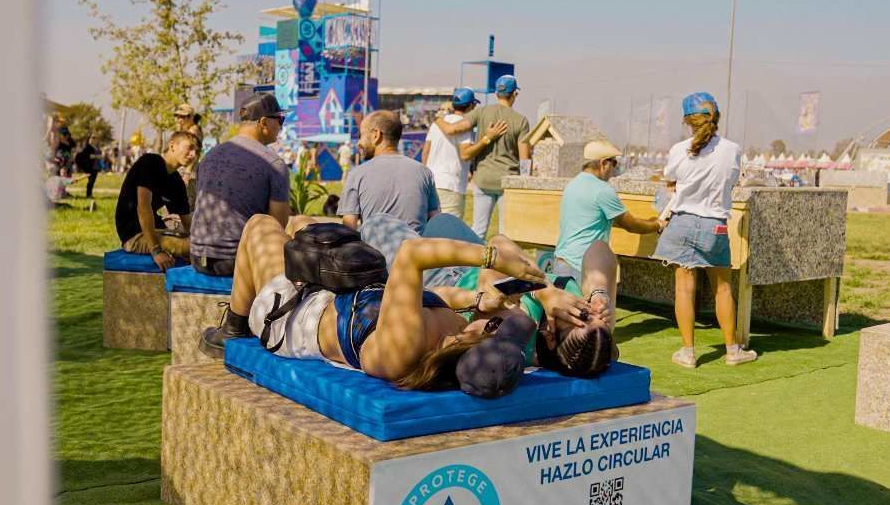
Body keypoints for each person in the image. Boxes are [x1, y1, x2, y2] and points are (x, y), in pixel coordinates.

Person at [201, 213, 545, 390]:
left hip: (289, 313)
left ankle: (234, 326)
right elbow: (431, 300)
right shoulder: (451, 333)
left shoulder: (402, 351)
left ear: (473, 342)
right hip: (335, 298)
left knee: (260, 225)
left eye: (499, 327)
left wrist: (493, 258)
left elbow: (412, 254)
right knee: (305, 225)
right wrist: (478, 299)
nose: (503, 317)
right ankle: (233, 321)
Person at [359, 212, 622, 378]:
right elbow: (599, 250)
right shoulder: (593, 343)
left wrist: (544, 292)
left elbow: (496, 250)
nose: (586, 307)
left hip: (445, 283)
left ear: (551, 338)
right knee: (441, 221)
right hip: (474, 262)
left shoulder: (517, 331)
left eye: (582, 314)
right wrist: (599, 293)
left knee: (375, 224)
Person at [654, 92, 757, 368]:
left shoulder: (679, 150)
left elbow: (670, 179)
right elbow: (732, 180)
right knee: (723, 289)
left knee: (684, 290)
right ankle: (733, 350)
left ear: (687, 120)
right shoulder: (733, 150)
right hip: (716, 226)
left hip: (683, 222)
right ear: (717, 117)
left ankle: (688, 353)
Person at [189, 93, 291, 276]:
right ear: (264, 122)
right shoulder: (273, 164)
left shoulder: (209, 156)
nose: (281, 126)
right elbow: (277, 227)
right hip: (235, 261)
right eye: (280, 120)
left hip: (197, 256)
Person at [434, 75, 531, 239]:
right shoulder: (521, 121)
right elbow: (524, 159)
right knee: (505, 233)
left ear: (496, 93)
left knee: (479, 230)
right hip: (507, 181)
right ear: (515, 94)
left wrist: (438, 120)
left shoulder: (481, 112)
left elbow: (452, 130)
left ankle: (473, 262)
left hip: (483, 179)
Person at [553, 139, 663, 279]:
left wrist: (647, 222)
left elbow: (599, 219)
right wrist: (657, 225)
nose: (615, 169)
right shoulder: (602, 190)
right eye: (614, 163)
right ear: (604, 163)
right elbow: (630, 225)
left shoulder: (573, 184)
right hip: (582, 266)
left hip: (562, 261)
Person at [338, 110, 440, 231]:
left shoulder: (357, 174)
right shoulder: (424, 172)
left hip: (373, 249)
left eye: (361, 135)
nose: (359, 143)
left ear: (376, 135)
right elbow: (436, 221)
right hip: (415, 248)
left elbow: (349, 229)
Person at [113, 131, 199, 271]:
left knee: (205, 243)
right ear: (172, 146)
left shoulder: (176, 182)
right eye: (189, 148)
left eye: (196, 150)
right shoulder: (150, 162)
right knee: (195, 248)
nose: (193, 154)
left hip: (158, 230)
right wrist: (156, 251)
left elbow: (188, 224)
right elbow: (143, 207)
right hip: (135, 235)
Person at [422, 88, 508, 220]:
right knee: (449, 233)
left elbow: (425, 153)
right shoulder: (465, 127)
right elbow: (466, 154)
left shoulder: (437, 124)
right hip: (451, 186)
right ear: (471, 106)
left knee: (429, 230)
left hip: (431, 183)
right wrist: (487, 138)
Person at [73, 135, 101, 199]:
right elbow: (87, 156)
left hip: (95, 166)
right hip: (90, 167)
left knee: (92, 181)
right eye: (92, 138)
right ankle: (88, 195)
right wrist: (96, 156)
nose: (93, 139)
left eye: (95, 138)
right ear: (89, 139)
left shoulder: (96, 147)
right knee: (90, 181)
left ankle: (90, 194)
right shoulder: (87, 147)